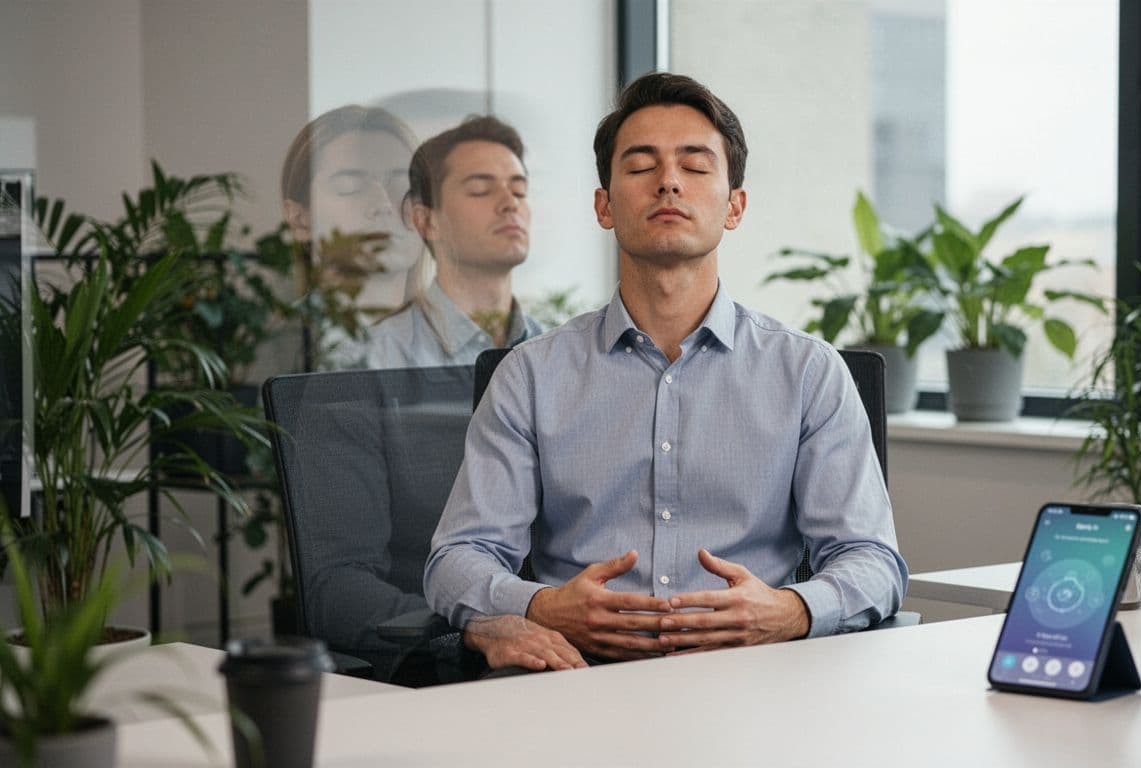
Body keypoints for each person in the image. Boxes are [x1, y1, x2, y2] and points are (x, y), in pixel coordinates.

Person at [425, 72, 907, 665]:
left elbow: (873, 559)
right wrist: (539, 607)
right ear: (604, 205)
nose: (669, 182)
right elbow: (457, 558)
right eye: (640, 166)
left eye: (696, 165)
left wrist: (791, 612)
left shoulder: (809, 373)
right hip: (577, 679)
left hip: (751, 680)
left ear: (735, 206)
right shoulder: (530, 376)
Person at [366, 116, 542, 368]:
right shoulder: (378, 357)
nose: (510, 203)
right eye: (480, 189)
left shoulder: (558, 352)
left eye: (519, 191)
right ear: (426, 221)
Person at [281, 105, 429, 369]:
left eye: (403, 186)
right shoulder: (275, 347)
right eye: (350, 186)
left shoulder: (468, 343)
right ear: (299, 219)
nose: (383, 203)